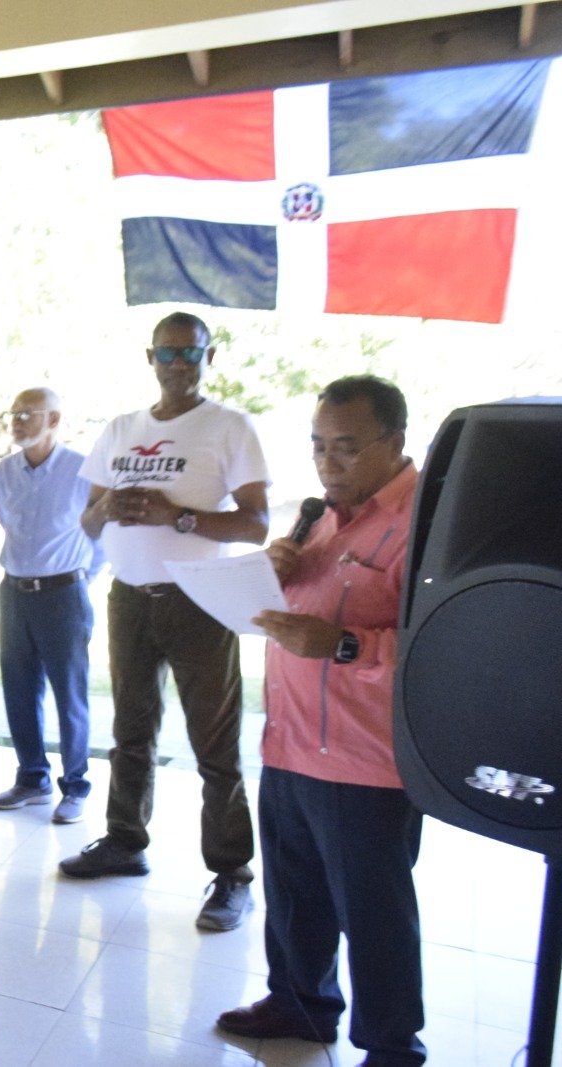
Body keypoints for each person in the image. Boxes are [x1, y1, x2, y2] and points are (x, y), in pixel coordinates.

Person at [218, 375, 426, 1064]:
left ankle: (391, 1044)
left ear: (393, 442)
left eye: (345, 447)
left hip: (367, 760)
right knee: (294, 891)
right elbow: (297, 615)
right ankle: (301, 1004)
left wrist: (343, 644)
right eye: (317, 446)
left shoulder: (422, 522)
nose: (327, 463)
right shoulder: (320, 515)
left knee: (374, 913)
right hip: (290, 742)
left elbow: (437, 645)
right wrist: (275, 572)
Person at [58, 311, 270, 935]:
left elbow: (256, 523)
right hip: (130, 596)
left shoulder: (230, 427)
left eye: (190, 353)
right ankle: (125, 840)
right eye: (166, 352)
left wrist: (178, 517)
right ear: (148, 358)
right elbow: (88, 522)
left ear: (211, 357)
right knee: (130, 729)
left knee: (214, 743)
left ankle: (232, 873)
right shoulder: (122, 428)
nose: (177, 363)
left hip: (202, 600)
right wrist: (107, 506)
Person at [0, 387, 98, 825]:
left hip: (63, 595)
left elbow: (101, 533)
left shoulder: (82, 470)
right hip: (14, 591)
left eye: (26, 414)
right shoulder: (4, 471)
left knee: (69, 694)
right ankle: (32, 777)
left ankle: (75, 785)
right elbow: (6, 524)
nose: (16, 421)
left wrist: (79, 579)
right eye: (12, 413)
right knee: (18, 689)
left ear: (53, 420)